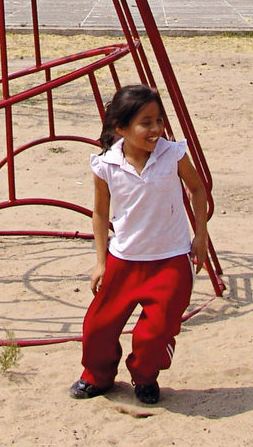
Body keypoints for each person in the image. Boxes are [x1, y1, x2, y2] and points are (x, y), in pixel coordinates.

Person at [69, 84, 212, 405]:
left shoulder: (172, 154)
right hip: (124, 260)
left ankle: (145, 378)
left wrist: (200, 235)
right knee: (98, 328)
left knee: (156, 333)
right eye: (146, 123)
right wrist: (101, 262)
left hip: (170, 261)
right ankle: (98, 376)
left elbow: (197, 189)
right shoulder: (107, 165)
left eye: (159, 120)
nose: (156, 129)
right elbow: (100, 212)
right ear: (120, 128)